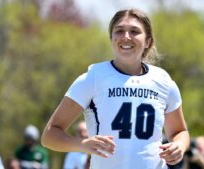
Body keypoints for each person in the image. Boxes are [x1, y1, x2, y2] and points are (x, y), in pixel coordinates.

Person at [41, 8, 190, 169]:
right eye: (119, 31)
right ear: (111, 38)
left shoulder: (164, 82)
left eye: (134, 31)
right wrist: (82, 144)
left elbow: (179, 132)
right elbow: (49, 135)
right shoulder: (93, 78)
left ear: (148, 41)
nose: (126, 37)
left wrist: (179, 146)